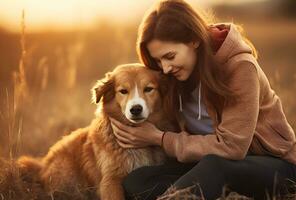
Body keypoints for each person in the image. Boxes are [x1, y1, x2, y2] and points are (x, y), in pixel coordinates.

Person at [110, 0, 296, 199]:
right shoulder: (173, 75)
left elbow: (231, 148)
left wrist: (159, 138)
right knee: (137, 180)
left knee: (214, 166)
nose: (165, 68)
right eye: (157, 60)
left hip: (272, 165)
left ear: (194, 40)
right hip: (204, 161)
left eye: (170, 56)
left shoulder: (241, 68)